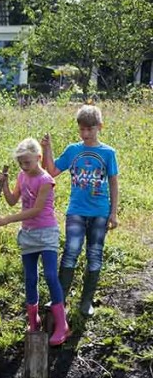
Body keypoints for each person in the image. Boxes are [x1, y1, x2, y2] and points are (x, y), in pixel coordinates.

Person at [0, 138, 71, 346]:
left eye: (27, 162)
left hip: (46, 233)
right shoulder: (22, 175)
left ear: (38, 158)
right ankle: (33, 320)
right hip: (28, 234)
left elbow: (35, 210)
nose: (24, 167)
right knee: (30, 278)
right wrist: (5, 185)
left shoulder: (46, 180)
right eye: (21, 163)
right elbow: (11, 200)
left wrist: (7, 219)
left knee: (51, 275)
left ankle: (62, 324)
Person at [41, 105, 120, 317]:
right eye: (82, 130)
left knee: (95, 254)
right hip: (76, 210)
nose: (85, 134)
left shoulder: (108, 153)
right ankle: (59, 300)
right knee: (70, 252)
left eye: (89, 129)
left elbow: (113, 183)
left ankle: (86, 302)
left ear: (99, 127)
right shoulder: (72, 150)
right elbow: (52, 171)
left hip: (100, 212)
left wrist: (113, 212)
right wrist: (47, 149)